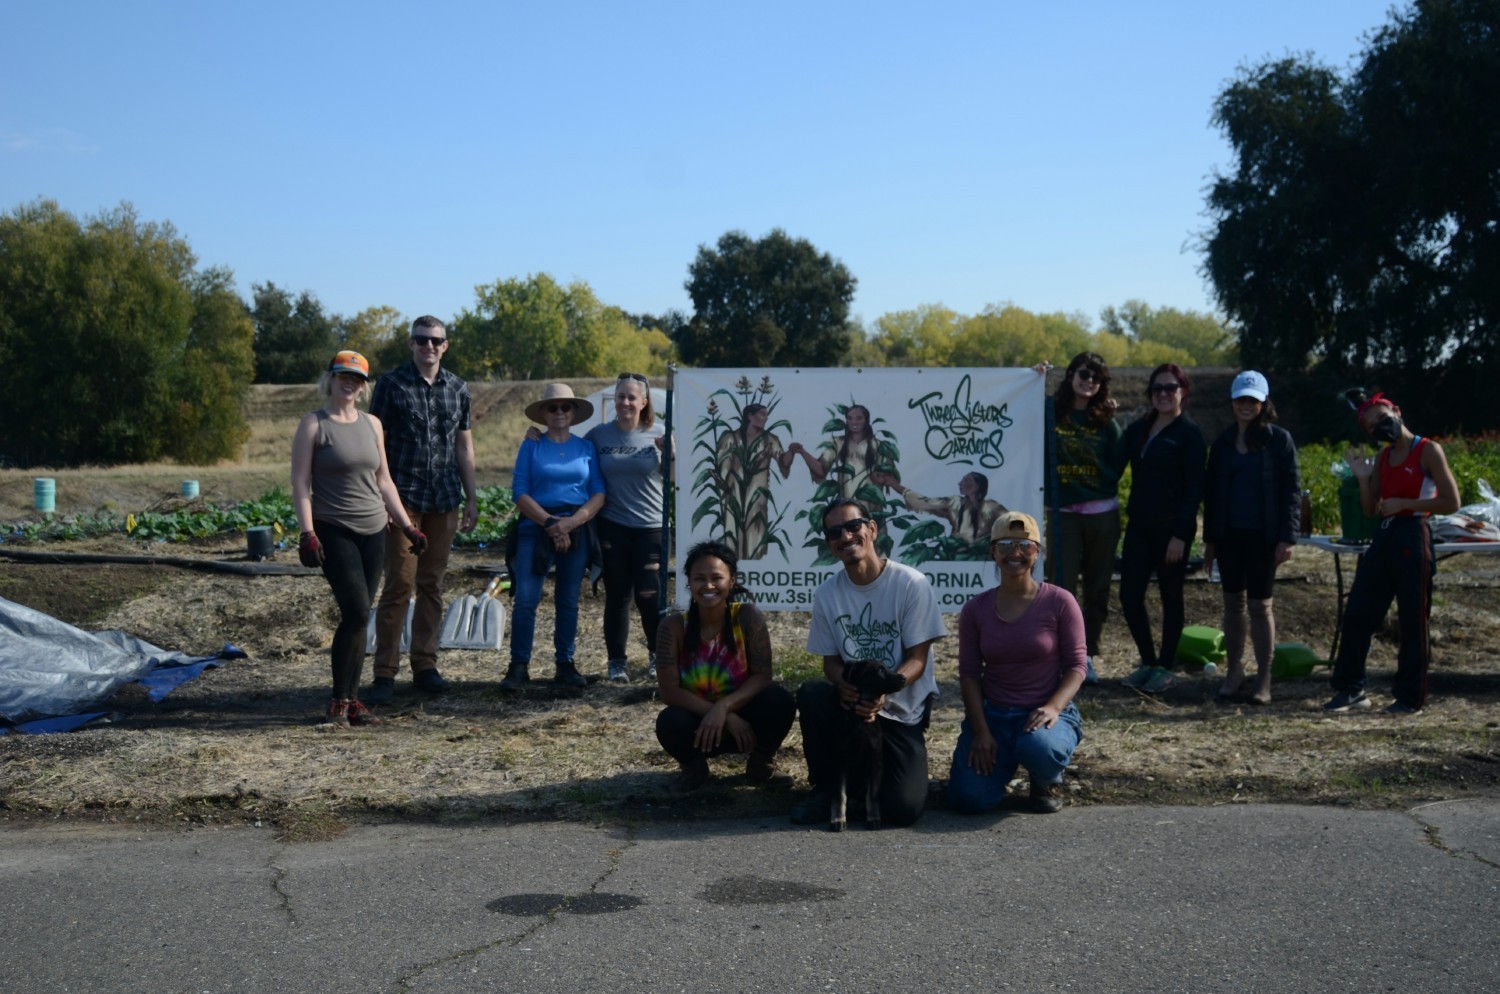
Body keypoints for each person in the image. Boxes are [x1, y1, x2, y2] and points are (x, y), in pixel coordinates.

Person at [790, 498, 947, 828]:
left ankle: (862, 790)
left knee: (902, 810)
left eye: (852, 527)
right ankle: (827, 789)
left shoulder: (911, 583)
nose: (845, 537)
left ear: (872, 529)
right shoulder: (827, 594)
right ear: (829, 544)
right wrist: (843, 685)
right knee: (814, 693)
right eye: (834, 532)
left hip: (899, 710)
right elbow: (831, 663)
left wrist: (884, 695)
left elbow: (918, 659)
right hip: (853, 707)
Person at [291, 351, 427, 726]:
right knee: (353, 610)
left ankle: (354, 701)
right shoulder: (314, 425)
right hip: (333, 529)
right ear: (330, 380)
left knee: (362, 614)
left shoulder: (372, 425)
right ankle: (338, 700)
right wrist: (307, 533)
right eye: (343, 376)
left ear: (363, 386)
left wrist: (406, 525)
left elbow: (384, 480)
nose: (349, 383)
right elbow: (301, 483)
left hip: (374, 531)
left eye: (357, 379)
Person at [1323, 390, 1459, 715]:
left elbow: (1451, 501)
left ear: (1396, 411)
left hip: (1414, 532)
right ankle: (1351, 688)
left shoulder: (1428, 450)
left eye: (1383, 419)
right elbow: (1372, 511)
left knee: (1413, 618)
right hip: (1385, 534)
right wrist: (1363, 479)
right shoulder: (1384, 457)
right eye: (1372, 427)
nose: (1381, 428)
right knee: (1358, 611)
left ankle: (1410, 697)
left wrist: (1407, 504)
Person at [365, 316, 478, 704]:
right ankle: (384, 672)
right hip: (404, 500)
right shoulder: (392, 385)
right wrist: (380, 497)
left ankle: (425, 665)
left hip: (444, 499)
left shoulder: (459, 388)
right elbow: (374, 443)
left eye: (436, 341)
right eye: (422, 340)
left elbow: (464, 446)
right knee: (398, 586)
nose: (429, 346)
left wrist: (472, 497)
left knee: (432, 585)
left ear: (445, 346)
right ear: (411, 344)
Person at [947, 512, 1086, 814]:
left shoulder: (1060, 601)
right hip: (994, 716)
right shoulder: (975, 610)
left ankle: (1044, 779)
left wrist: (1054, 707)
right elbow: (969, 675)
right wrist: (981, 731)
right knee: (969, 800)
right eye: (1006, 544)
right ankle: (1001, 767)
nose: (1016, 553)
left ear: (1037, 553)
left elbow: (1077, 665)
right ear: (993, 551)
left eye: (1026, 546)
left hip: (1043, 713)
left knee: (1039, 748)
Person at [654, 541, 796, 791]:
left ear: (731, 581)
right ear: (689, 583)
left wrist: (725, 708)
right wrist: (720, 714)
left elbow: (763, 676)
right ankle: (694, 768)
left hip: (746, 725)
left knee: (779, 700)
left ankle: (761, 763)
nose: (708, 586)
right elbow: (670, 692)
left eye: (716, 578)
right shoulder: (673, 626)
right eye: (699, 578)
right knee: (669, 721)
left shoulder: (747, 616)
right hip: (701, 728)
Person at [1202, 372, 1301, 706]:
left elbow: (1291, 491)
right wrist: (1210, 541)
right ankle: (1234, 672)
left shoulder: (1279, 441)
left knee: (1260, 606)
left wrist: (1287, 537)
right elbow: (1212, 496)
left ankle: (1264, 677)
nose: (1246, 406)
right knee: (1233, 603)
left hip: (1265, 536)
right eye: (1241, 400)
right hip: (1231, 537)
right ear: (1233, 402)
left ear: (1263, 403)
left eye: (1253, 400)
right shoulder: (1223, 443)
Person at [501, 384, 606, 690]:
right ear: (543, 413)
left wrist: (571, 523)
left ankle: (565, 663)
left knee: (568, 600)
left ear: (574, 413)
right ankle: (518, 666)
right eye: (552, 408)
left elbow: (598, 492)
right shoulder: (531, 445)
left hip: (576, 527)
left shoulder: (585, 448)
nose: (559, 413)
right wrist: (550, 523)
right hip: (536, 526)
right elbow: (519, 491)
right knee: (526, 599)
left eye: (565, 408)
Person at [1119, 363, 1206, 694]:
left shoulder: (1190, 434)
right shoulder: (1142, 427)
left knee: (1171, 596)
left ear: (1183, 391)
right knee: (1129, 595)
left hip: (1172, 529)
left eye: (1170, 388)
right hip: (1140, 525)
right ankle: (1148, 660)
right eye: (1157, 389)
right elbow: (1116, 450)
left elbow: (1195, 487)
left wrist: (1181, 535)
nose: (1164, 394)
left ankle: (1166, 666)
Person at [1047, 353, 1127, 680]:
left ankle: (1087, 656)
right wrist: (1036, 374)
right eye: (1083, 373)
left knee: (1097, 589)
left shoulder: (1107, 421)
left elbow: (1120, 461)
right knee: (1060, 589)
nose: (1089, 380)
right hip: (1063, 514)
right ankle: (1061, 656)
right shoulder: (1050, 412)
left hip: (1101, 516)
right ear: (1070, 375)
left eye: (1096, 377)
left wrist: (1100, 484)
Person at [713, 403, 795, 561]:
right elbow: (722, 468)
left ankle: (754, 567)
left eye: (767, 414)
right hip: (733, 493)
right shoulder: (731, 438)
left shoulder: (770, 439)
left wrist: (791, 452)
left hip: (757, 494)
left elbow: (783, 463)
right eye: (762, 414)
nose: (766, 418)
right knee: (733, 531)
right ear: (750, 416)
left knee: (755, 530)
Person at [871, 471, 1006, 556]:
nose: (960, 483)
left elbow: (1013, 521)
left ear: (977, 487)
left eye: (967, 481)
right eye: (963, 480)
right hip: (954, 554)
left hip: (982, 558)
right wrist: (894, 484)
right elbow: (925, 502)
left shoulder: (992, 507)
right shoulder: (954, 502)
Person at [790, 403, 891, 502]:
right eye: (850, 418)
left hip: (871, 505)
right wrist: (803, 452)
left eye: (859, 418)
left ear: (866, 421)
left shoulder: (878, 446)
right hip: (845, 506)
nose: (854, 422)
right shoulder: (838, 443)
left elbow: (888, 476)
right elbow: (821, 469)